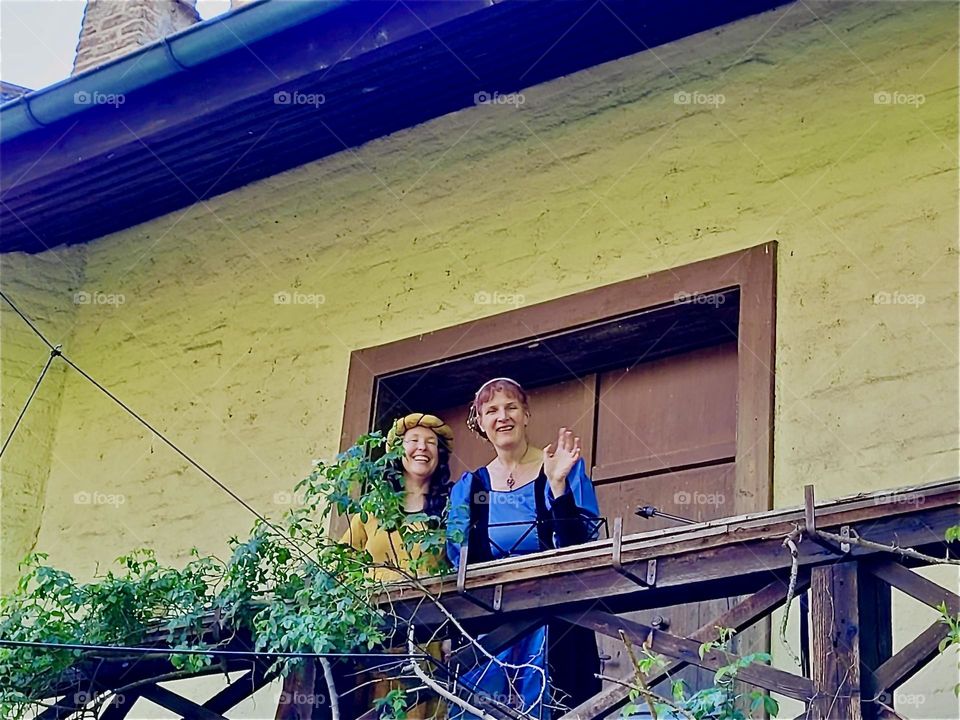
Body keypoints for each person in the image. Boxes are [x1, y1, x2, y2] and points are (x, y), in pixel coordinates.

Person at [446, 378, 602, 719]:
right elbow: (459, 558)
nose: (503, 416)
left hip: (556, 622)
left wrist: (558, 486)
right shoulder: (469, 488)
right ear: (482, 423)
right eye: (492, 410)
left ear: (526, 414)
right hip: (489, 626)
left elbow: (583, 547)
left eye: (511, 407)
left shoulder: (562, 469)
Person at [340, 412, 454, 718]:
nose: (422, 448)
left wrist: (450, 634)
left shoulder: (450, 509)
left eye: (431, 442)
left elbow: (455, 570)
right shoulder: (373, 507)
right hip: (374, 636)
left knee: (421, 711)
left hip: (424, 633)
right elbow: (341, 561)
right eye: (414, 440)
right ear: (396, 452)